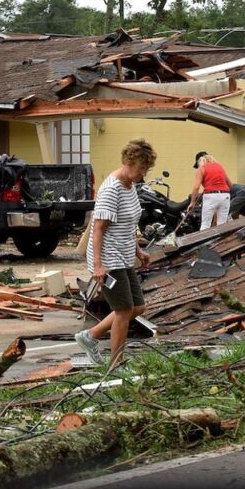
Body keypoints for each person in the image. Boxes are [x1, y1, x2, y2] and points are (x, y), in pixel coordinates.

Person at [75, 138, 156, 367]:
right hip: (109, 260)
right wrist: (99, 266)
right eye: (142, 168)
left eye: (146, 169)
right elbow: (98, 229)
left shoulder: (129, 187)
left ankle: (89, 337)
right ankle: (116, 365)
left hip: (123, 255)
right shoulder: (112, 189)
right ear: (130, 163)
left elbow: (127, 224)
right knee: (123, 310)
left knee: (138, 307)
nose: (144, 174)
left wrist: (138, 251)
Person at [188, 151, 232, 230]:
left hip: (211, 196)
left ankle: (203, 242)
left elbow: (196, 187)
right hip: (225, 195)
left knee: (205, 225)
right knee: (222, 225)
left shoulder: (201, 169)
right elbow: (230, 184)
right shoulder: (220, 166)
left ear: (200, 161)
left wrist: (192, 202)